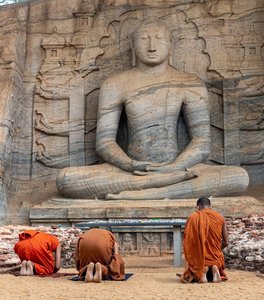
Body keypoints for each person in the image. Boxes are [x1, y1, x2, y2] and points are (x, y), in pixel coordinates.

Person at [56, 18, 249, 200]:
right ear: (133, 46)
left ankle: (142, 193)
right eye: (144, 39)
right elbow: (104, 143)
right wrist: (130, 165)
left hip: (179, 167)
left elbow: (202, 142)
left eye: (159, 38)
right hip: (130, 171)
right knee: (66, 179)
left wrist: (174, 167)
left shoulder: (190, 83)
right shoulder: (114, 84)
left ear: (170, 45)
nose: (151, 46)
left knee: (238, 177)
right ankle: (166, 188)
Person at [180, 197, 229, 283]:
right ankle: (214, 268)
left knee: (194, 263)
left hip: (200, 259)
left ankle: (203, 273)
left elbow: (188, 242)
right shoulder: (220, 217)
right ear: (210, 206)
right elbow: (226, 242)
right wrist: (216, 249)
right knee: (215, 259)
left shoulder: (193, 217)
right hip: (216, 257)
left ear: (198, 207)